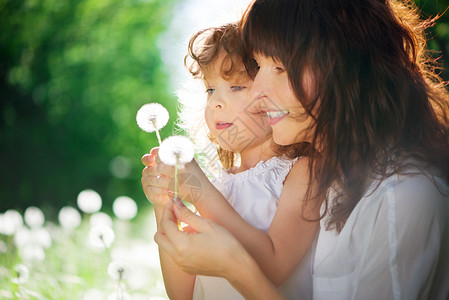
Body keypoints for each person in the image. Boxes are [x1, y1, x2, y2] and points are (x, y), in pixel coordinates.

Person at [153, 0, 449, 299]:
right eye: (258, 67)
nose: (257, 90)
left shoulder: (400, 197)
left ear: (341, 68)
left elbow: (276, 263)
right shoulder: (337, 181)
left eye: (280, 67)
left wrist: (235, 267)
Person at [141, 22, 320, 299]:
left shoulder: (302, 171)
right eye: (210, 90)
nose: (215, 103)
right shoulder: (221, 185)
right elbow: (182, 293)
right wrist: (163, 202)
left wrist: (200, 193)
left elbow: (275, 266)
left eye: (236, 86)